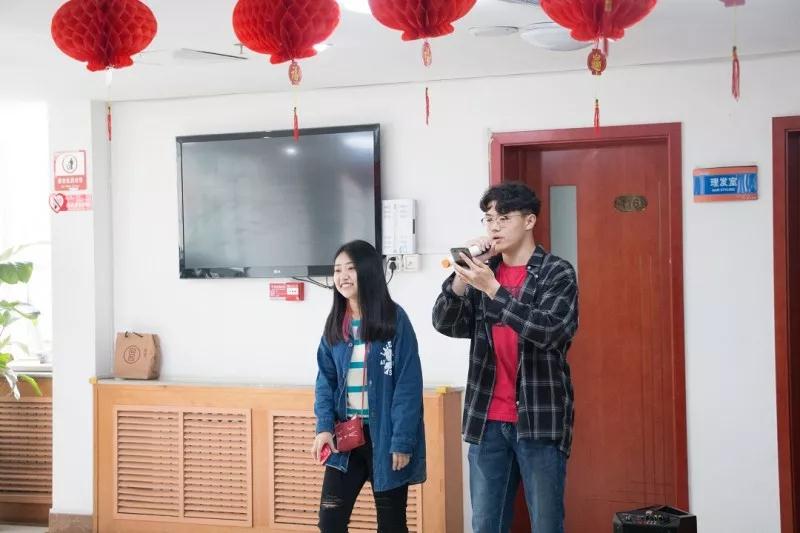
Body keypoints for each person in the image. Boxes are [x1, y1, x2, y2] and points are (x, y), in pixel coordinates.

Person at [432, 182, 579, 533]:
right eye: (488, 219)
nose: (493, 227)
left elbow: (550, 331)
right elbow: (446, 323)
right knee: (486, 524)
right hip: (486, 419)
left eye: (503, 218)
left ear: (529, 221)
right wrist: (463, 276)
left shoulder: (556, 272)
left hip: (539, 418)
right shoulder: (484, 272)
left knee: (546, 524)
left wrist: (494, 290)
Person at [312, 239, 426, 533]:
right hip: (346, 437)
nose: (342, 276)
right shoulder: (335, 323)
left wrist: (402, 441)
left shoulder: (395, 319)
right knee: (330, 522)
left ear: (368, 271)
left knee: (391, 525)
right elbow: (325, 381)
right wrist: (324, 427)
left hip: (386, 438)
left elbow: (408, 386)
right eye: (337, 269)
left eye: (350, 268)